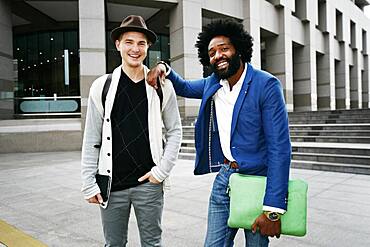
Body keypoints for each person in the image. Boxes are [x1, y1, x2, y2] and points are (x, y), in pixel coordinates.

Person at [147, 18, 291, 246]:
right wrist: (164, 67)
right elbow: (183, 86)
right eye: (212, 52)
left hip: (256, 182)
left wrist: (273, 211)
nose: (218, 55)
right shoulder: (213, 84)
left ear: (239, 49)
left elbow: (279, 149)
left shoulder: (266, 85)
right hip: (225, 178)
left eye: (224, 49)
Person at [81, 15, 182, 247]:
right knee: (113, 245)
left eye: (141, 43)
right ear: (118, 45)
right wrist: (88, 181)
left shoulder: (161, 86)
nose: (135, 49)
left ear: (147, 47)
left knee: (152, 244)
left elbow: (175, 131)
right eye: (129, 42)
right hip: (111, 185)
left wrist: (161, 171)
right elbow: (91, 139)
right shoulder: (102, 86)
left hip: (149, 183)